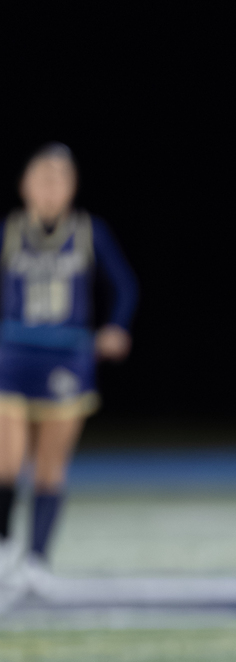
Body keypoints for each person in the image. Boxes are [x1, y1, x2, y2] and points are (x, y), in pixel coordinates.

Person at [0, 144, 137, 586]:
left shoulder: (88, 231)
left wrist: (116, 326)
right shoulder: (9, 231)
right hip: (13, 358)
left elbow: (126, 286)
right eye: (42, 179)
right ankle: (4, 547)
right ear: (24, 185)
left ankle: (37, 560)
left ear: (72, 187)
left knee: (49, 467)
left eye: (59, 180)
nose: (50, 189)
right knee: (7, 459)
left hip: (67, 361)